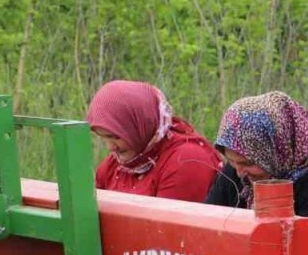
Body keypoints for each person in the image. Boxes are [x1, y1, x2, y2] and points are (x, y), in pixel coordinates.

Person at [206, 91, 308, 227]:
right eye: (232, 161)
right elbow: (209, 222)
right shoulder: (237, 171)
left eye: (248, 163)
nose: (239, 173)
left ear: (278, 149)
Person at [85, 80, 221, 201]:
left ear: (139, 126)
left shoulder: (186, 159)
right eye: (103, 137)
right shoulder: (118, 164)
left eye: (115, 137)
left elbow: (168, 227)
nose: (110, 147)